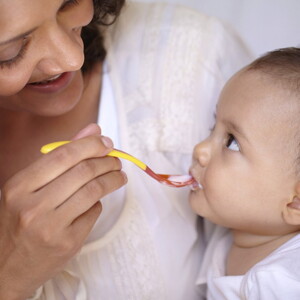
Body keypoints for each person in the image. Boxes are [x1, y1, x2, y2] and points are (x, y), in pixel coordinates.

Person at [0, 0, 252, 299]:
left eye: (69, 4)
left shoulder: (193, 53)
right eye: (11, 52)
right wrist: (10, 279)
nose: (71, 58)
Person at [189, 47, 300, 299]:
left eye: (232, 142)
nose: (200, 150)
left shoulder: (285, 283)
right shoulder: (227, 237)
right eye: (212, 127)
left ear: (296, 203)